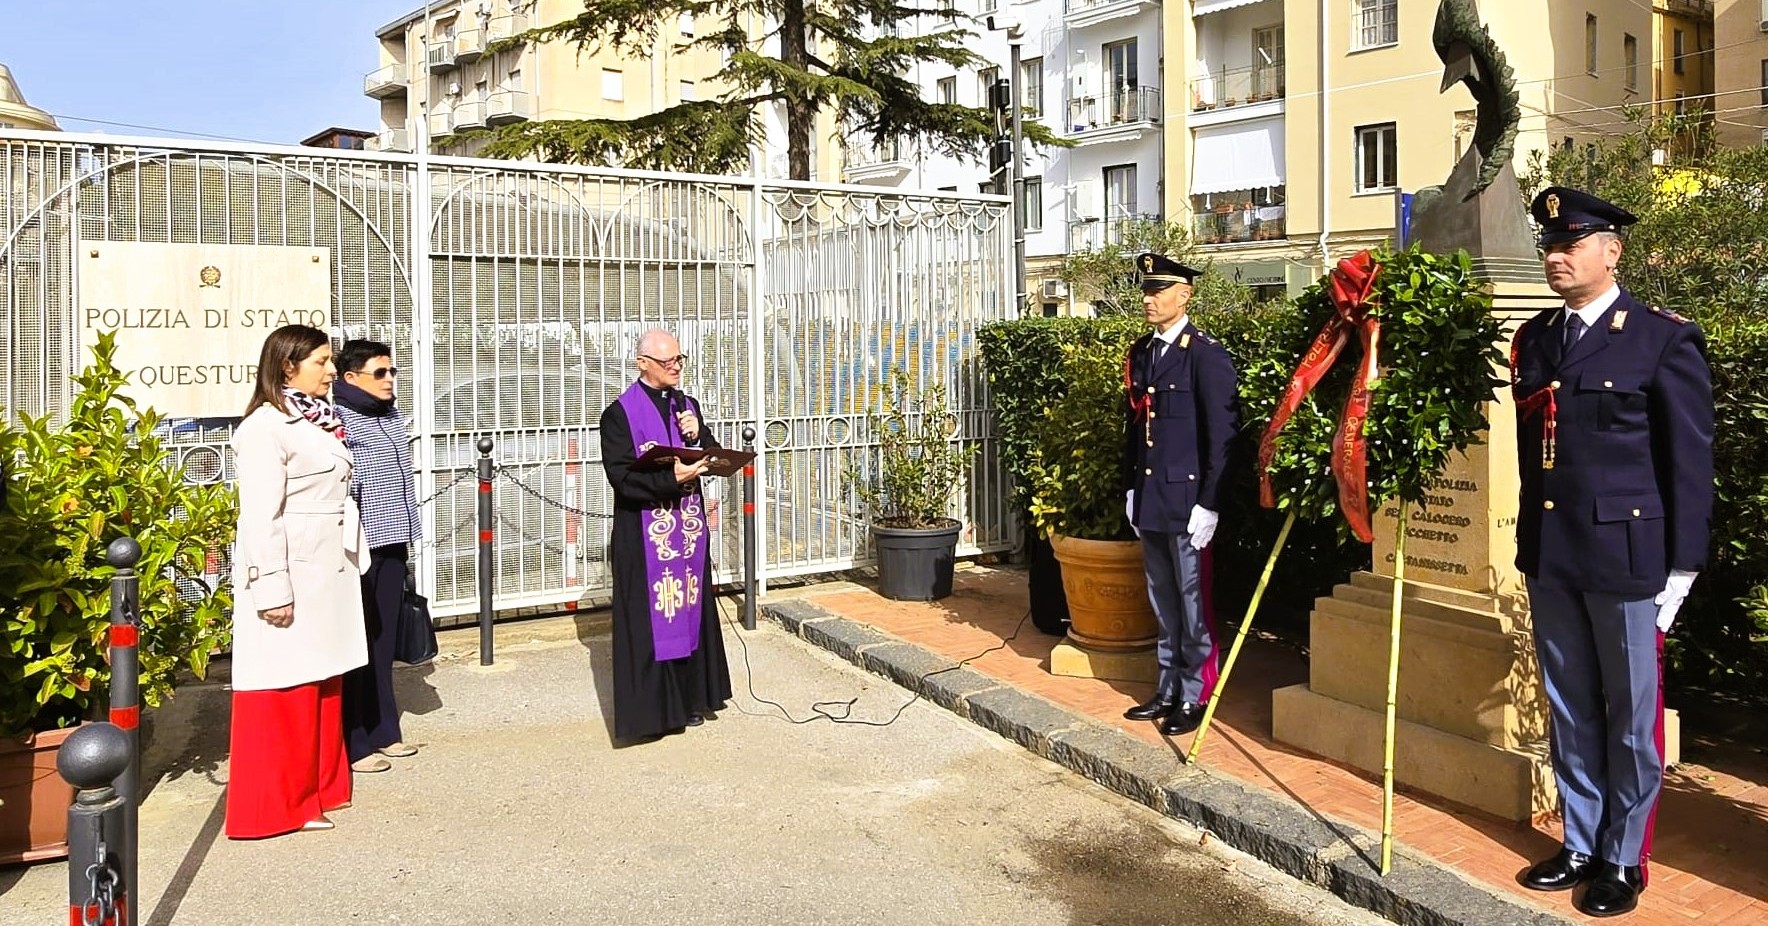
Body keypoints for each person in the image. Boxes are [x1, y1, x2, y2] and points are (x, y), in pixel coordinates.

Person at [1511, 186, 1714, 917]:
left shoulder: (1660, 338)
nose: (1555, 258)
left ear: (1611, 251)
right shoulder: (1537, 338)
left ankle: (1623, 858)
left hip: (1628, 557)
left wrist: (1683, 566)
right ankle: (1580, 839)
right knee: (1570, 706)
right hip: (1553, 551)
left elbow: (1689, 461)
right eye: (1549, 247)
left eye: (1570, 245)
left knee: (1630, 717)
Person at [227, 324, 371, 839]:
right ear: (288, 366)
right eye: (321, 362)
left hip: (326, 568)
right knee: (285, 686)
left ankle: (321, 786)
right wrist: (271, 587)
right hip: (294, 568)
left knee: (322, 679)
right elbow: (260, 517)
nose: (332, 371)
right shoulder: (265, 428)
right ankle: (280, 804)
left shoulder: (316, 419)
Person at [1119, 253, 1239, 737]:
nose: (1148, 299)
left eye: (1159, 290)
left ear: (1184, 295)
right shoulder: (1143, 352)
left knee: (1193, 604)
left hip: (1188, 503)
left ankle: (1195, 692)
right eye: (1146, 291)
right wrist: (1131, 486)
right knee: (1163, 599)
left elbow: (1223, 434)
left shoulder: (1204, 355)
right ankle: (1167, 686)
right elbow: (1135, 427)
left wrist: (1210, 502)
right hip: (1152, 496)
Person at [598, 329, 733, 743]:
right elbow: (622, 479)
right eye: (667, 360)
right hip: (645, 537)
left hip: (687, 535)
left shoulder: (686, 405)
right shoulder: (618, 415)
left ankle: (691, 699)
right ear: (642, 363)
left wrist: (698, 436)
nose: (675, 367)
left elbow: (712, 455)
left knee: (691, 615)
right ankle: (656, 714)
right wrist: (670, 478)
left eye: (679, 359)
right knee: (651, 622)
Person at [332, 339, 422, 774]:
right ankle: (355, 740)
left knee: (383, 641)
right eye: (380, 373)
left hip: (393, 540)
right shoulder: (338, 419)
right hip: (359, 544)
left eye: (392, 372)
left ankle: (385, 728)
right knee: (358, 642)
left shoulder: (389, 415)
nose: (389, 380)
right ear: (351, 378)